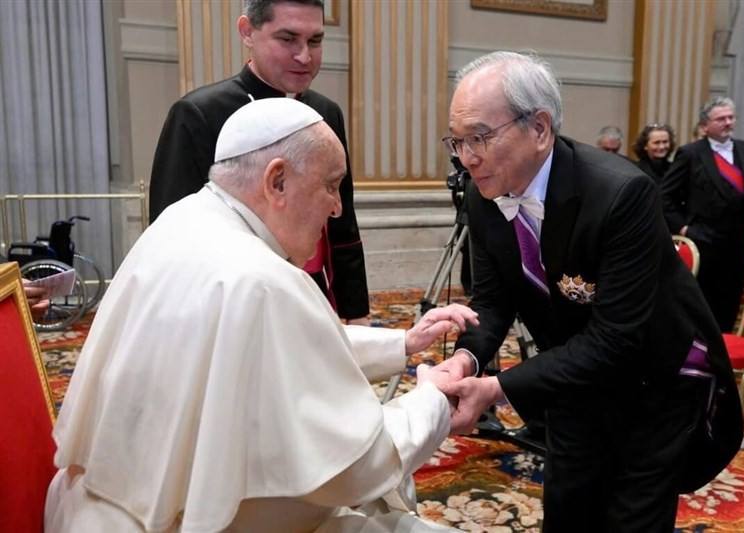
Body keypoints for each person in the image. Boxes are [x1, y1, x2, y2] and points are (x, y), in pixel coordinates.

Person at [45, 98, 477, 532]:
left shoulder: (185, 220)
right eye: (331, 185)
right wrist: (432, 400)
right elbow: (356, 466)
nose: (337, 208)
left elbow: (273, 345)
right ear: (277, 181)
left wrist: (401, 344)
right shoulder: (262, 277)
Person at [432, 51, 742, 532]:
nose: (466, 157)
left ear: (539, 128)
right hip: (573, 382)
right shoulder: (483, 192)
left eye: (480, 138)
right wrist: (465, 362)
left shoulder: (621, 193)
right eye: (458, 141)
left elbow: (616, 339)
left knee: (630, 518)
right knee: (569, 510)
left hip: (653, 384)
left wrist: (496, 389)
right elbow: (494, 302)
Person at [149, 0, 369, 324]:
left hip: (313, 296)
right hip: (232, 306)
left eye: (315, 41)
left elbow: (341, 222)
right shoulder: (198, 114)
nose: (305, 56)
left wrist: (355, 309)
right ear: (247, 32)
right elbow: (172, 236)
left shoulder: (326, 113)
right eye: (287, 39)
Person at [662, 96, 744, 332]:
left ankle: (727, 351)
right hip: (704, 240)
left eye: (731, 117)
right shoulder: (690, 153)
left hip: (739, 243)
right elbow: (664, 196)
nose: (728, 122)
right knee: (704, 304)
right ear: (705, 125)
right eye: (721, 119)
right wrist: (684, 228)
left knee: (730, 301)